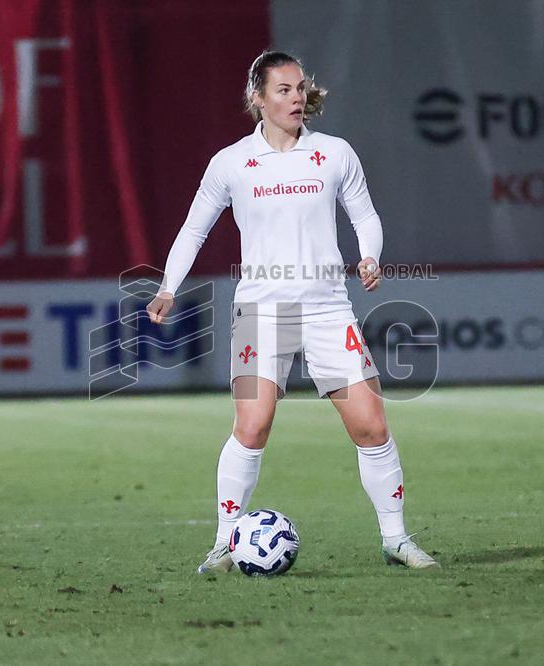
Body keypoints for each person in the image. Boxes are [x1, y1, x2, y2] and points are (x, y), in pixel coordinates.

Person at [146, 50, 437, 572]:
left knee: (371, 425)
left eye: (300, 88)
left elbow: (366, 216)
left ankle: (395, 539)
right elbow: (195, 229)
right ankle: (223, 544)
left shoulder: (334, 153)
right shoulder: (231, 162)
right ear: (257, 97)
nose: (297, 97)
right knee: (252, 426)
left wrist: (370, 255)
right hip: (261, 311)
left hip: (328, 309)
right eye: (283, 89)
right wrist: (169, 287)